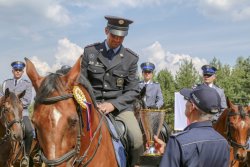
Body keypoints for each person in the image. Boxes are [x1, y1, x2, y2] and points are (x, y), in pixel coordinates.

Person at [81, 15, 143, 167]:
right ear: (106, 31)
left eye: (121, 37)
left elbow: (133, 90)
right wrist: (90, 103)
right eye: (114, 35)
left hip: (119, 108)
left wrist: (112, 105)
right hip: (90, 105)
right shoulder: (90, 52)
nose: (117, 40)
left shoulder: (130, 58)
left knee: (136, 138)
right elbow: (80, 82)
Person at [159, 85, 230, 167]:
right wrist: (170, 152)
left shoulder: (178, 141)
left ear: (192, 107)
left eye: (187, 100)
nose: (185, 103)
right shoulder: (223, 142)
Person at [2, 61, 33, 166]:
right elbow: (2, 97)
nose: (18, 72)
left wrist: (15, 104)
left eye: (20, 70)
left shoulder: (27, 84)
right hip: (6, 112)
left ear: (22, 72)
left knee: (29, 130)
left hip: (21, 113)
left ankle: (26, 156)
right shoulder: (6, 83)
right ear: (13, 71)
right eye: (16, 70)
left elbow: (27, 100)